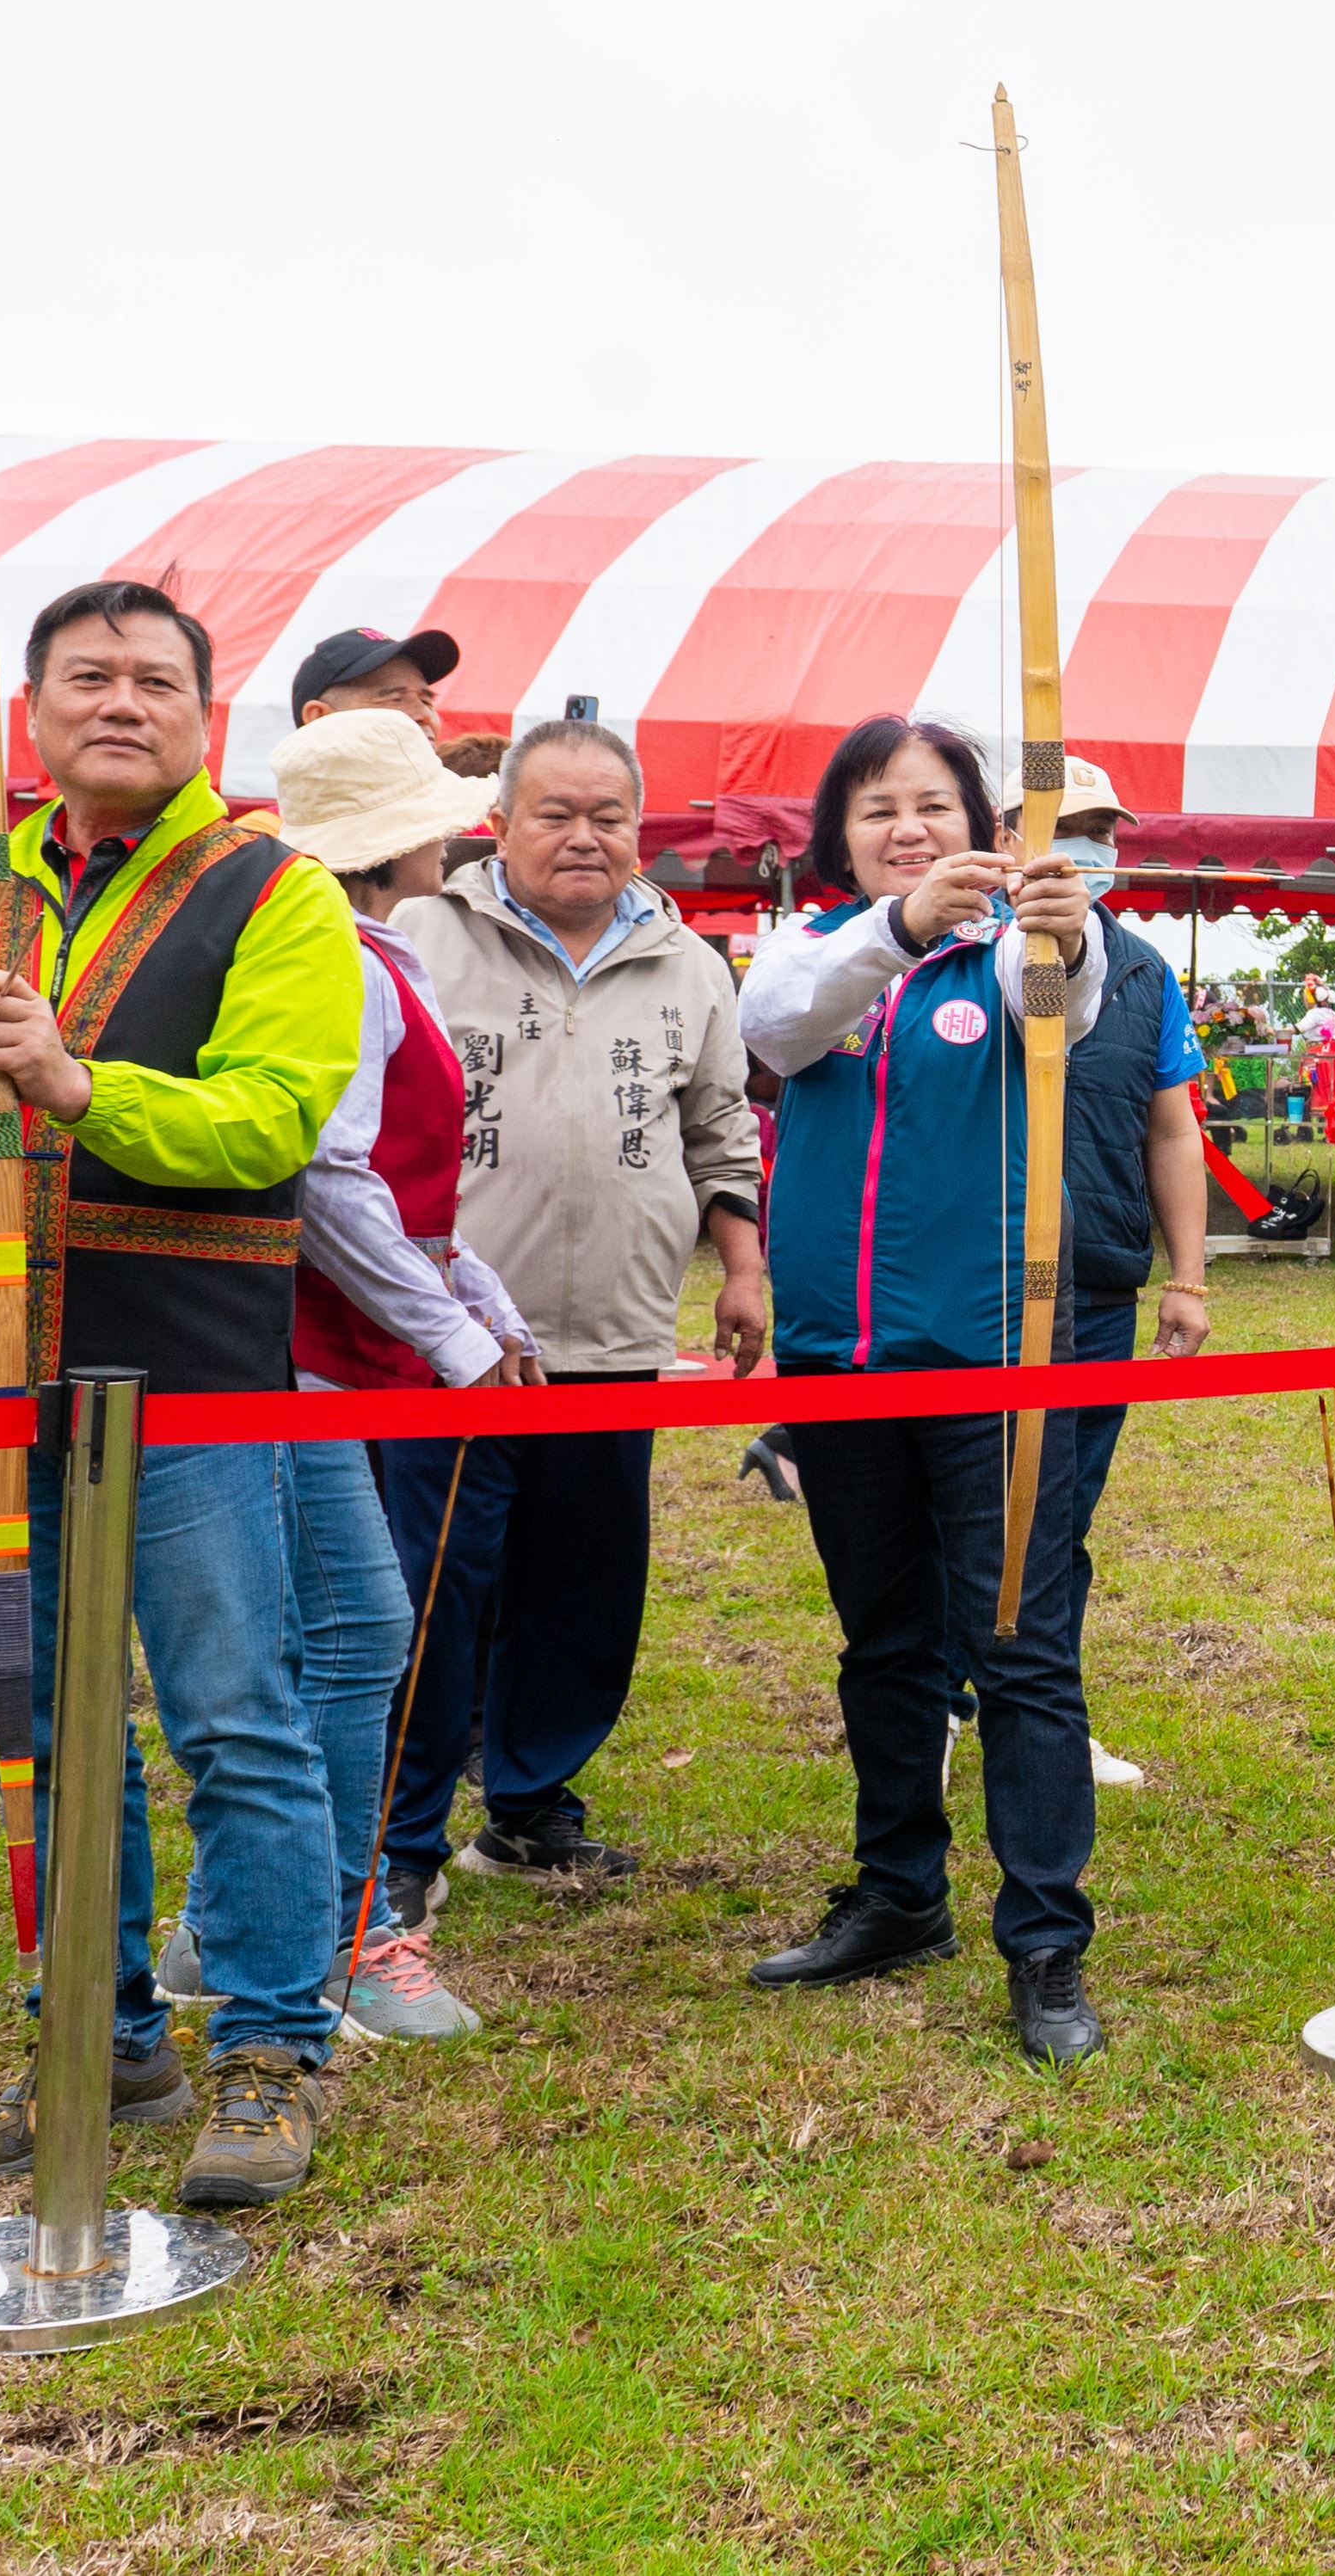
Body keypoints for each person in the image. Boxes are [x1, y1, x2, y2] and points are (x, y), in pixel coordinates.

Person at [0, 580, 362, 2206]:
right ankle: (95, 2033)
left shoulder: (278, 894)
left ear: (205, 714)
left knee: (234, 1710)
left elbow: (270, 1121)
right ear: (36, 712)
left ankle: (274, 2044)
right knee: (43, 1721)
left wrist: (75, 1083)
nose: (121, 701)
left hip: (183, 1368)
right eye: (88, 676)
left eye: (156, 678)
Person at [735, 715, 1121, 2060]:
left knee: (1020, 1646)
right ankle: (899, 1892)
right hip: (838, 1358)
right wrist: (895, 924)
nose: (907, 827)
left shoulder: (1021, 943)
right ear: (838, 833)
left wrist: (1057, 921)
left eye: (935, 804)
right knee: (883, 1642)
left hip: (995, 1356)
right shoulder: (816, 949)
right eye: (876, 807)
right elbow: (776, 1029)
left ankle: (1045, 1940)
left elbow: (1054, 1001)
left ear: (987, 823)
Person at [386, 715, 771, 1921]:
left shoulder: (689, 963)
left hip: (616, 1331)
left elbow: (720, 1130)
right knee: (436, 1583)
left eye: (608, 815)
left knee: (584, 1579)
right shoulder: (420, 934)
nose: (583, 836)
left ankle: (531, 1805)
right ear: (496, 820)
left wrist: (743, 1266)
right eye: (554, 811)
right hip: (450, 1341)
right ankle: (399, 1835)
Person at [262, 709, 526, 2046]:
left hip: (349, 1340)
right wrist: (453, 1333)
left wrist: (475, 1293)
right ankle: (339, 1929)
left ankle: (259, 1916)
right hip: (316, 1352)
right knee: (348, 1641)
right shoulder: (352, 968)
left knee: (329, 1642)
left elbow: (400, 1193)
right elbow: (333, 1180)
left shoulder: (374, 953)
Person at [1038, 756, 1215, 1787]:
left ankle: (1047, 1709)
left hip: (1097, 1281)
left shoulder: (1142, 969)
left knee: (1063, 1511)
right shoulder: (963, 954)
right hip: (970, 1283)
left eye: (1100, 830)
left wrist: (1186, 1277)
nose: (1088, 850)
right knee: (954, 1509)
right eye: (1065, 827)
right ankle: (937, 1703)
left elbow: (1171, 1127)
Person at [290, 624, 454, 733]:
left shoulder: (466, 785)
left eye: (427, 701)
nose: (424, 715)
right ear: (318, 717)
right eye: (395, 699)